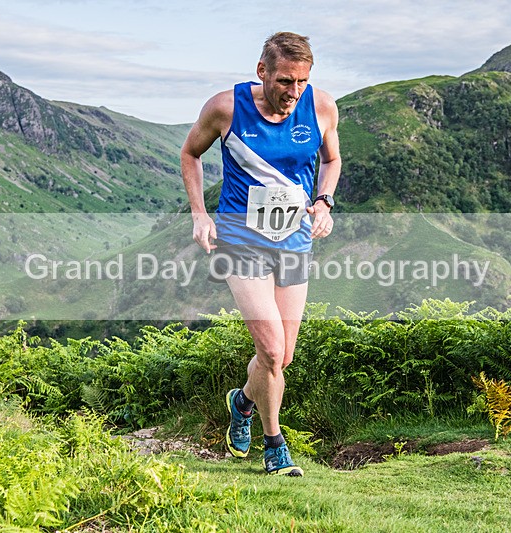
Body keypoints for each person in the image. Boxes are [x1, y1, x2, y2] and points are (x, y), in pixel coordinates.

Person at [180, 31, 341, 476]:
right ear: (262, 71)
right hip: (240, 236)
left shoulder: (322, 106)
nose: (293, 92)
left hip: (293, 237)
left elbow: (332, 160)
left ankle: (243, 401)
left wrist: (324, 201)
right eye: (285, 81)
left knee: (283, 356)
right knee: (269, 350)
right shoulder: (225, 107)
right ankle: (275, 445)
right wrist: (199, 214)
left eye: (302, 82)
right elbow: (190, 153)